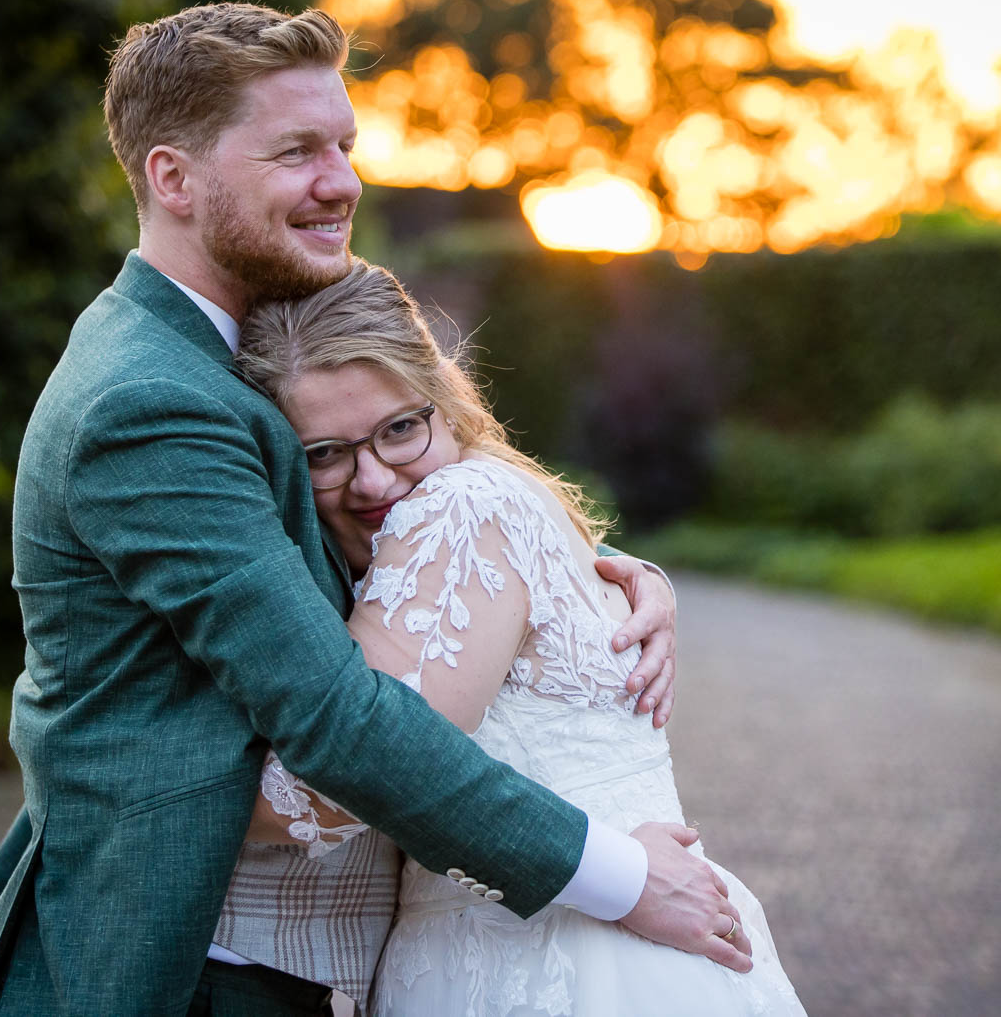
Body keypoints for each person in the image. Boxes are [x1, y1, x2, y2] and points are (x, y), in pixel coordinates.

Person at [0, 3, 750, 1017]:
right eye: (296, 151)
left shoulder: (234, 355)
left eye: (344, 145)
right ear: (173, 178)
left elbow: (407, 554)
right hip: (191, 966)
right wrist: (620, 876)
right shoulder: (152, 398)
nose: (341, 181)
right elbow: (335, 716)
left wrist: (589, 584)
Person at [231, 261, 808, 1015]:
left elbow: (343, 782)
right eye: (325, 454)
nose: (372, 480)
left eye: (400, 429)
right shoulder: (502, 496)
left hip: (558, 951)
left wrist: (153, 781)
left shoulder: (459, 506)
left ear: (444, 402)